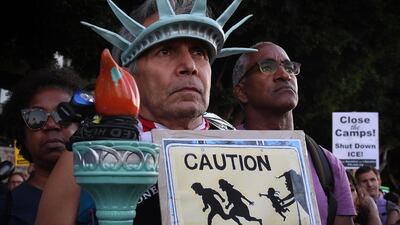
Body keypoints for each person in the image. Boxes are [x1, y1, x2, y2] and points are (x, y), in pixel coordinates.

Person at [36, 0, 254, 225]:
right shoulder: (91, 149)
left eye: (199, 52)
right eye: (165, 51)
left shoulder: (238, 142)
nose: (190, 65)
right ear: (129, 74)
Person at [231, 41, 356, 225]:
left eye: (289, 67)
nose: (284, 75)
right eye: (267, 67)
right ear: (241, 91)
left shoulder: (328, 164)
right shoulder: (218, 155)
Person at [1, 66, 97, 225]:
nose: (52, 124)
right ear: (22, 132)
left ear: (82, 123)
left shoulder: (109, 192)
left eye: (64, 113)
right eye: (35, 117)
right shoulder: (7, 208)